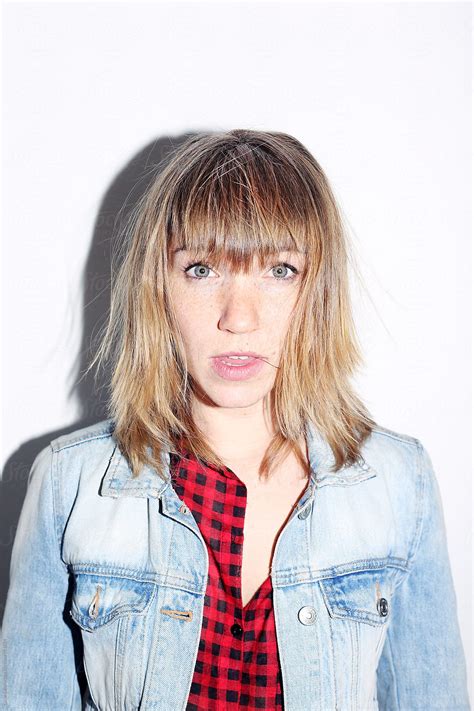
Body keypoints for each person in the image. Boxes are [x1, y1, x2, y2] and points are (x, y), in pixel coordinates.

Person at [0, 129, 470, 710]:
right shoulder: (68, 485)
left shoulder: (401, 481)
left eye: (279, 270)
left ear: (316, 291)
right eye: (201, 269)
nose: (239, 317)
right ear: (159, 288)